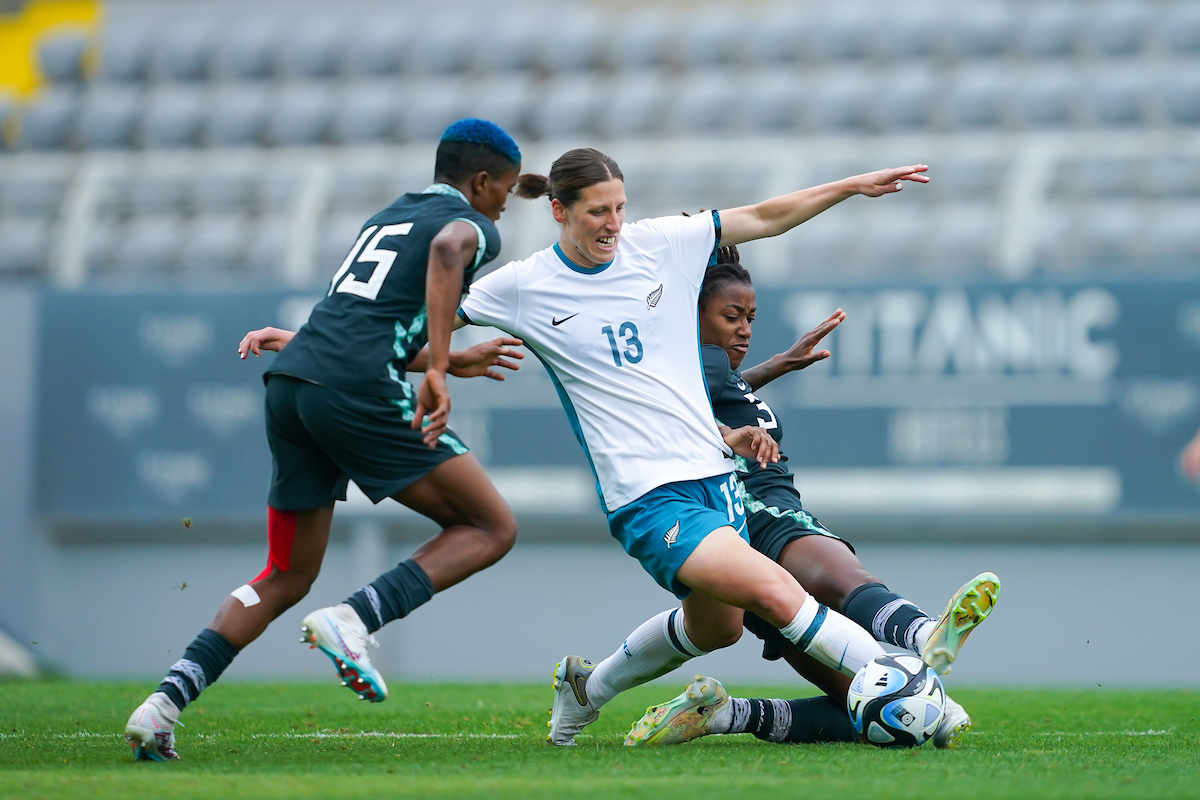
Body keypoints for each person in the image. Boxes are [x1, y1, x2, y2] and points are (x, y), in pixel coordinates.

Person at [454, 147, 934, 746]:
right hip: (648, 498)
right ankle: (901, 681)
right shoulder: (524, 286)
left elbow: (763, 216)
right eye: (598, 211)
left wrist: (851, 185)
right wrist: (371, 351)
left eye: (620, 208)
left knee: (719, 629)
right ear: (558, 211)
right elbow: (420, 321)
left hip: (717, 480)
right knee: (774, 589)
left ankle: (587, 689)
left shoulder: (660, 244)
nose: (613, 224)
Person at [123, 119, 528, 761]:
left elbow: (364, 318)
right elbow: (452, 249)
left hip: (295, 380)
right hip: (352, 388)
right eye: (504, 190)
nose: (506, 203)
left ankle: (162, 705)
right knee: (489, 527)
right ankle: (354, 620)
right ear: (480, 183)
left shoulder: (390, 214)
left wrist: (445, 358)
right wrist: (444, 366)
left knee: (285, 572)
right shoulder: (473, 228)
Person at [623, 246, 999, 749]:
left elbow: (710, 392)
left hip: (732, 539)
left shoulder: (709, 373)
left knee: (863, 710)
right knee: (849, 579)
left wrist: (774, 366)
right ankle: (922, 634)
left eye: (751, 317)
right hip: (762, 512)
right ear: (692, 312)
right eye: (731, 316)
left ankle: (726, 714)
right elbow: (683, 402)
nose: (745, 329)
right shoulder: (694, 361)